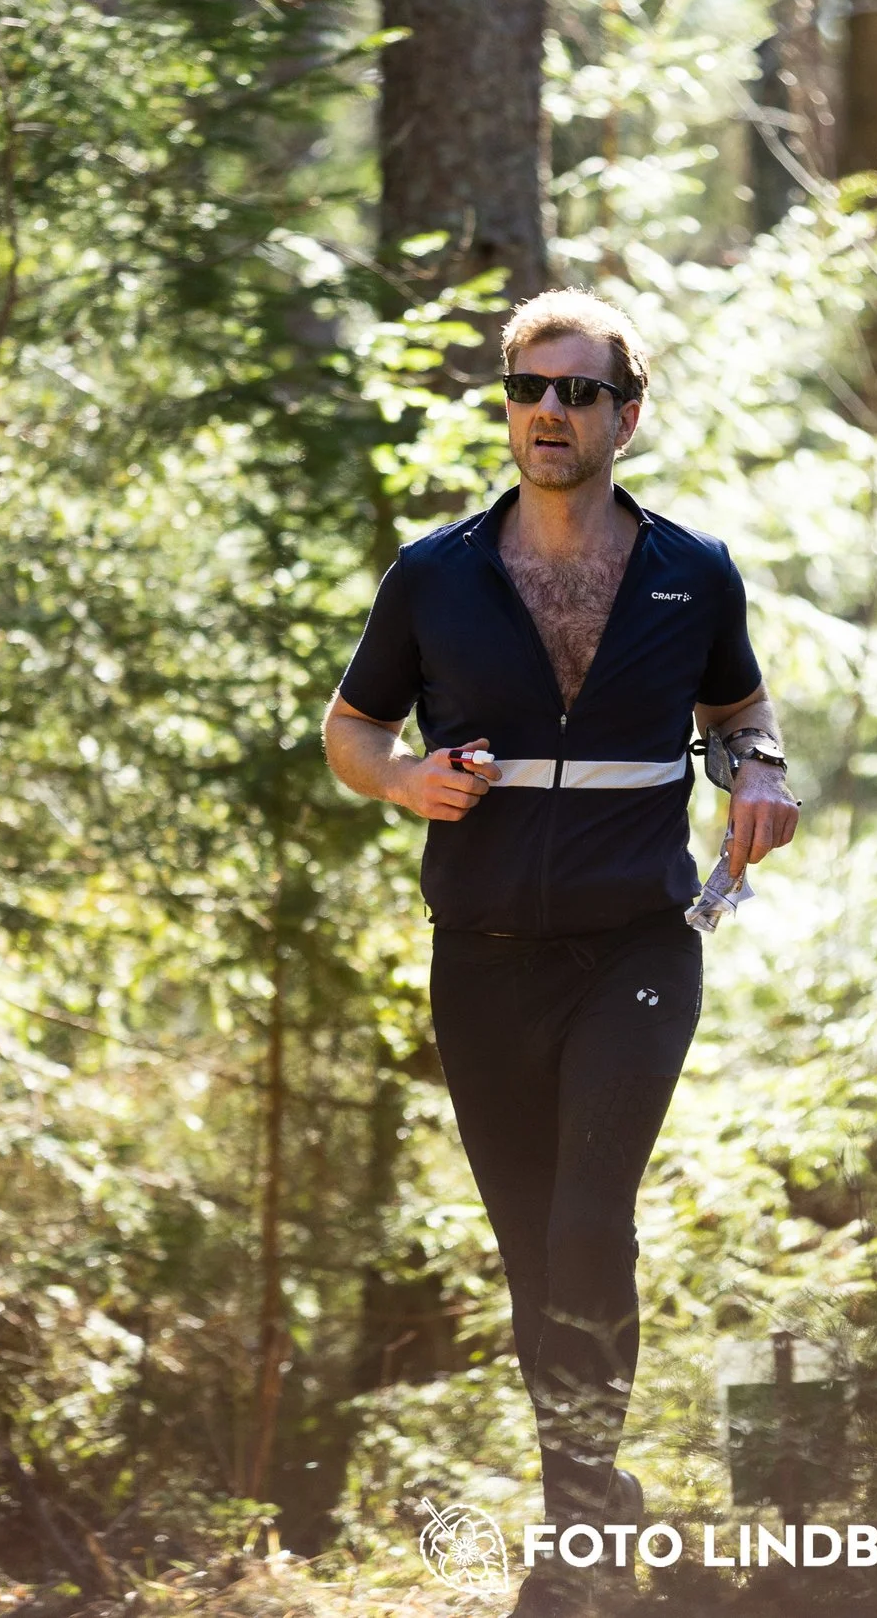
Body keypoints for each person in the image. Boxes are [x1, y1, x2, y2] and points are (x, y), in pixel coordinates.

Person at [325, 289, 798, 1615]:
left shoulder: (689, 568)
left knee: (591, 1217)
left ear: (625, 417)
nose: (548, 411)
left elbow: (742, 706)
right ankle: (590, 1500)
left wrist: (760, 772)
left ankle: (574, 1543)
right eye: (529, 389)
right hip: (482, 958)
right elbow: (351, 728)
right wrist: (405, 780)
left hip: (639, 943)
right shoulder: (437, 573)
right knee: (535, 1248)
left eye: (578, 392)